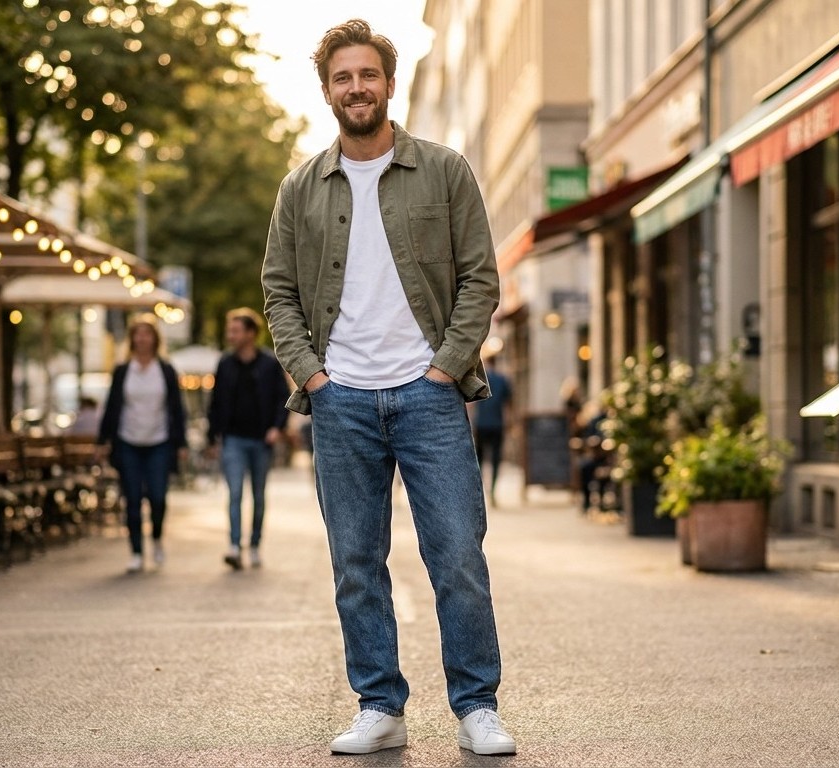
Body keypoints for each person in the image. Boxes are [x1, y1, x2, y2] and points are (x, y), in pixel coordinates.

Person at [261, 19, 515, 757]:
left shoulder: (443, 170)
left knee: (458, 556)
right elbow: (277, 291)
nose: (356, 88)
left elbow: (479, 278)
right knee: (355, 564)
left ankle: (476, 706)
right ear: (327, 91)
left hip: (429, 395)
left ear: (388, 82)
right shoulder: (300, 187)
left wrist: (443, 366)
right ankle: (380, 704)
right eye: (342, 77)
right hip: (339, 401)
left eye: (366, 74)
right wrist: (311, 373)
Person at [96, 319, 186, 573]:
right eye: (138, 334)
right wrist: (103, 441)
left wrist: (180, 443)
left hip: (159, 442)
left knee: (158, 497)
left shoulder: (165, 370)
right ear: (132, 339)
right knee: (132, 499)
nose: (143, 339)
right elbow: (112, 407)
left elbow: (177, 409)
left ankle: (156, 538)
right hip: (128, 442)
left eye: (147, 334)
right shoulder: (123, 370)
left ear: (155, 339)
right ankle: (136, 552)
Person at [206, 307, 290, 571]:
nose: (231, 335)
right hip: (233, 439)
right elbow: (216, 401)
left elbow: (282, 398)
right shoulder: (225, 363)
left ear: (251, 333)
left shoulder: (269, 363)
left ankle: (254, 545)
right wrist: (212, 436)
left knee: (258, 495)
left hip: (262, 440)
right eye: (229, 330)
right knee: (234, 493)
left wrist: (277, 427)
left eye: (235, 330)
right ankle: (234, 545)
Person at [471, 356, 511, 504]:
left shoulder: (479, 379)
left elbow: (472, 403)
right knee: (495, 459)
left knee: (479, 459)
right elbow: (507, 405)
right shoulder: (503, 380)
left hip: (481, 424)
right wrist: (508, 423)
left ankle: (480, 492)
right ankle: (493, 491)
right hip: (497, 424)